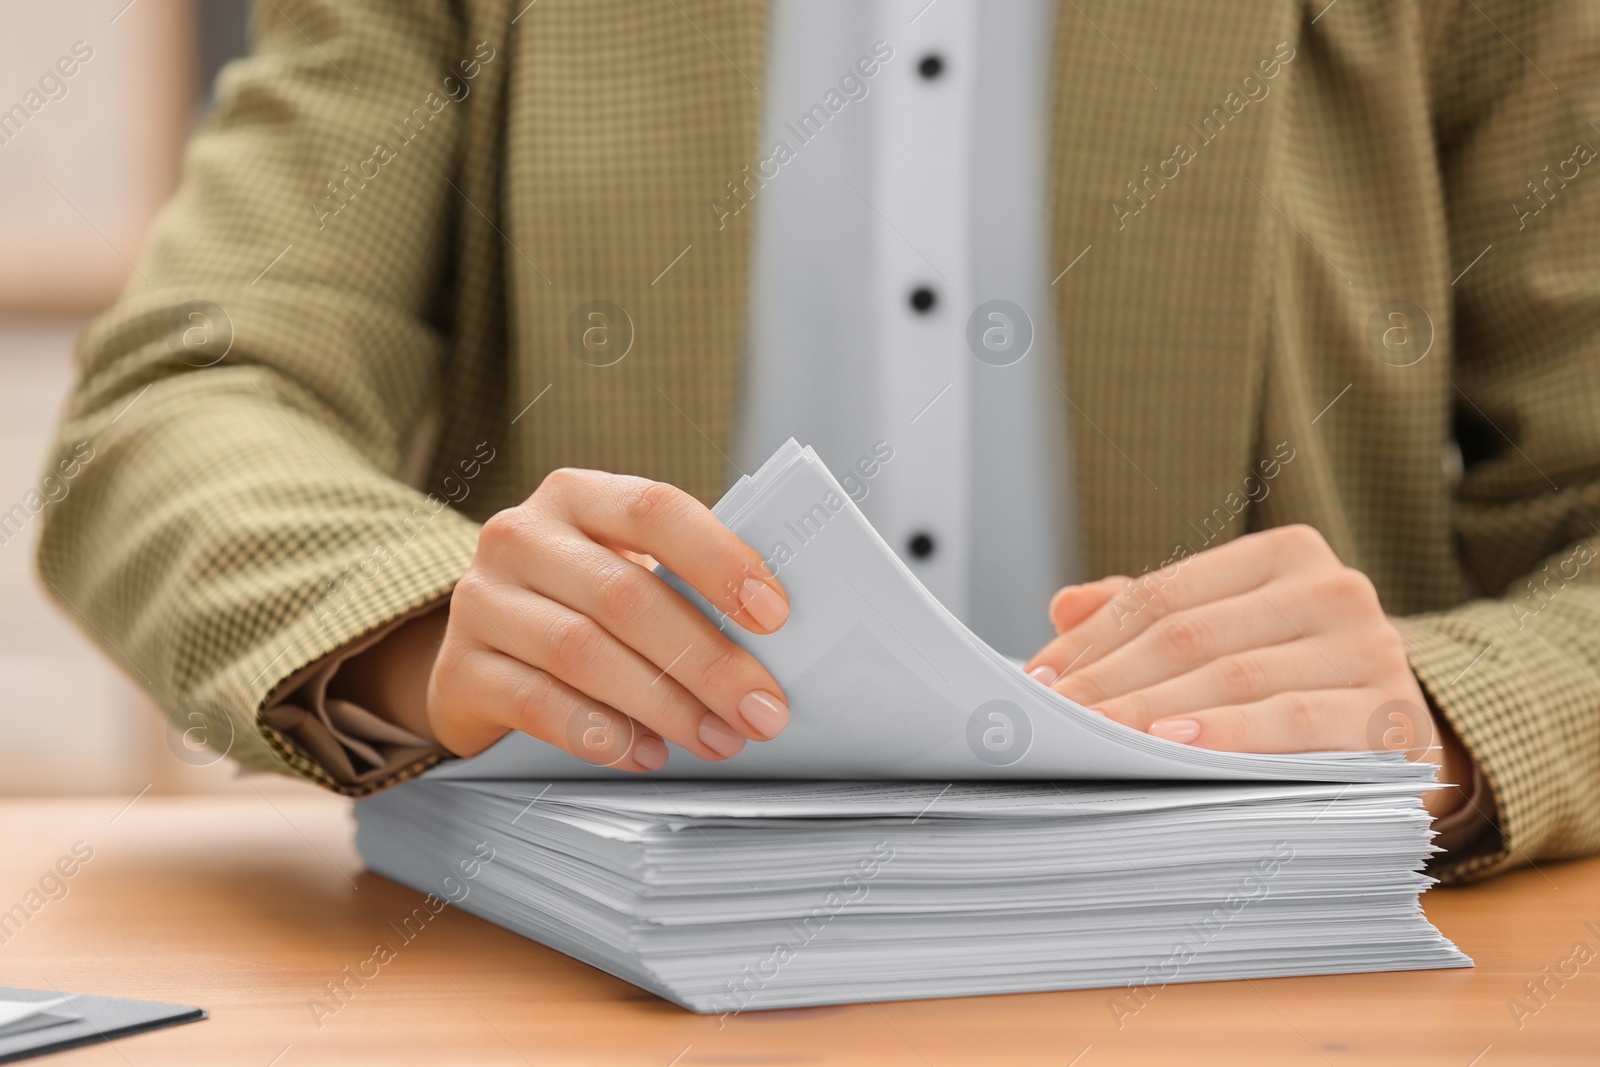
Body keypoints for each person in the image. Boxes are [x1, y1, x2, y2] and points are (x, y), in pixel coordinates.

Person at [36, 0, 1600, 886]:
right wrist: (428, 632)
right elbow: (178, 405)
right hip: (604, 998)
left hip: (1297, 990)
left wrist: (1452, 715)